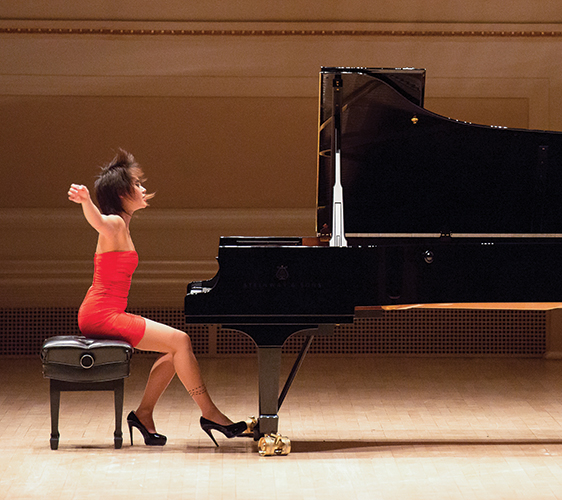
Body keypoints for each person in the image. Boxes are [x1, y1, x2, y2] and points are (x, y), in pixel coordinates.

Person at [68, 149, 246, 447]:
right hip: (101, 314)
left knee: (174, 353)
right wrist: (86, 201)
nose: (143, 189)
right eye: (137, 185)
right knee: (181, 341)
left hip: (103, 311)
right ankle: (210, 413)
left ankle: (144, 415)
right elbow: (97, 221)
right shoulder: (113, 223)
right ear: (122, 193)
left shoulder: (122, 225)